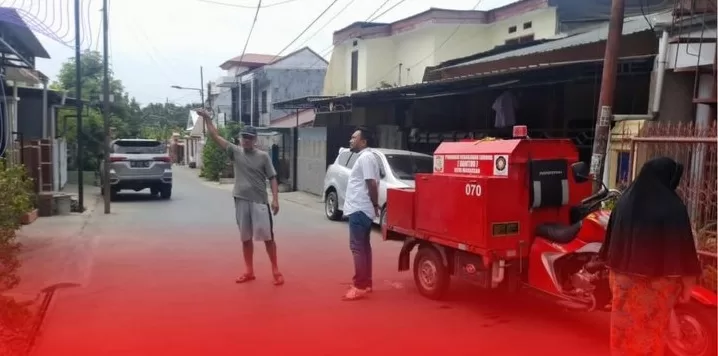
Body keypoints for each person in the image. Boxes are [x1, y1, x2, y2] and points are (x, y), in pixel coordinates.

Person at [598, 156, 701, 355]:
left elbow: (613, 243)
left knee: (623, 331)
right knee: (649, 334)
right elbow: (682, 249)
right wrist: (687, 286)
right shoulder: (673, 207)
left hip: (623, 282)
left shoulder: (624, 202)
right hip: (656, 288)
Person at [196, 109, 284, 286]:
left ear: (255, 139)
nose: (246, 140)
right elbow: (214, 136)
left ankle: (275, 270)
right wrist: (206, 118)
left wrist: (275, 199)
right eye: (244, 137)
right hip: (241, 200)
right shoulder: (235, 151)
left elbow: (273, 178)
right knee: (245, 238)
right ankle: (249, 271)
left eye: (250, 137)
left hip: (260, 202)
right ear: (240, 138)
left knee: (268, 238)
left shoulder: (263, 156)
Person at [342, 127, 381, 301]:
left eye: (354, 138)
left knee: (358, 248)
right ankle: (366, 283)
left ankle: (359, 286)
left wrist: (374, 204)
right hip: (362, 208)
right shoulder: (368, 157)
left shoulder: (365, 157)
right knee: (364, 248)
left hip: (359, 209)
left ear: (363, 142)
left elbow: (371, 183)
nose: (351, 140)